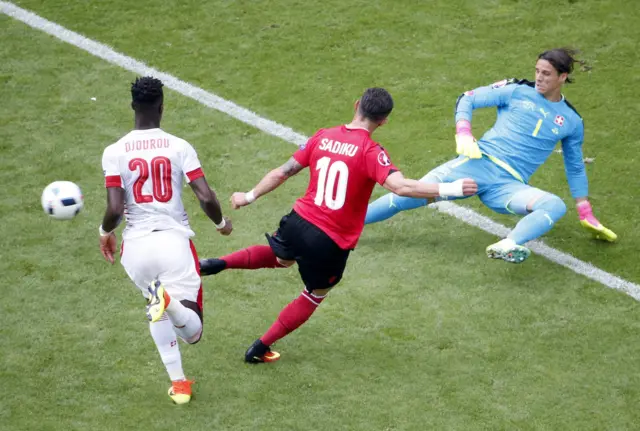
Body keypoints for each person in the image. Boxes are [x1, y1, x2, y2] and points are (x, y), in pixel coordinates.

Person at [198, 88, 477, 363]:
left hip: (298, 220)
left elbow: (284, 172)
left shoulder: (323, 136)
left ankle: (215, 263)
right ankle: (260, 348)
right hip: (329, 240)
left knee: (282, 258)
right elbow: (401, 187)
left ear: (356, 105)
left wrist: (247, 196)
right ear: (383, 121)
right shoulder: (371, 151)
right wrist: (450, 188)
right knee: (313, 294)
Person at [365, 48, 616, 263]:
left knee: (554, 205)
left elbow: (574, 166)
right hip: (476, 165)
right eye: (537, 71)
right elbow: (468, 98)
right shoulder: (516, 90)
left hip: (508, 186)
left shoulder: (572, 121)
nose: (539, 78)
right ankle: (344, 223)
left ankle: (508, 244)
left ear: (563, 77)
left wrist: (584, 210)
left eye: (546, 74)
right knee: (407, 197)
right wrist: (463, 132)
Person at [99, 76, 232, 404]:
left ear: (133, 106)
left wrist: (104, 233)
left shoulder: (114, 151)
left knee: (154, 307)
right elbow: (205, 196)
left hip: (136, 250)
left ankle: (180, 384)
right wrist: (221, 222)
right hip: (173, 244)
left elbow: (115, 208)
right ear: (162, 106)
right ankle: (169, 300)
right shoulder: (178, 146)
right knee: (193, 331)